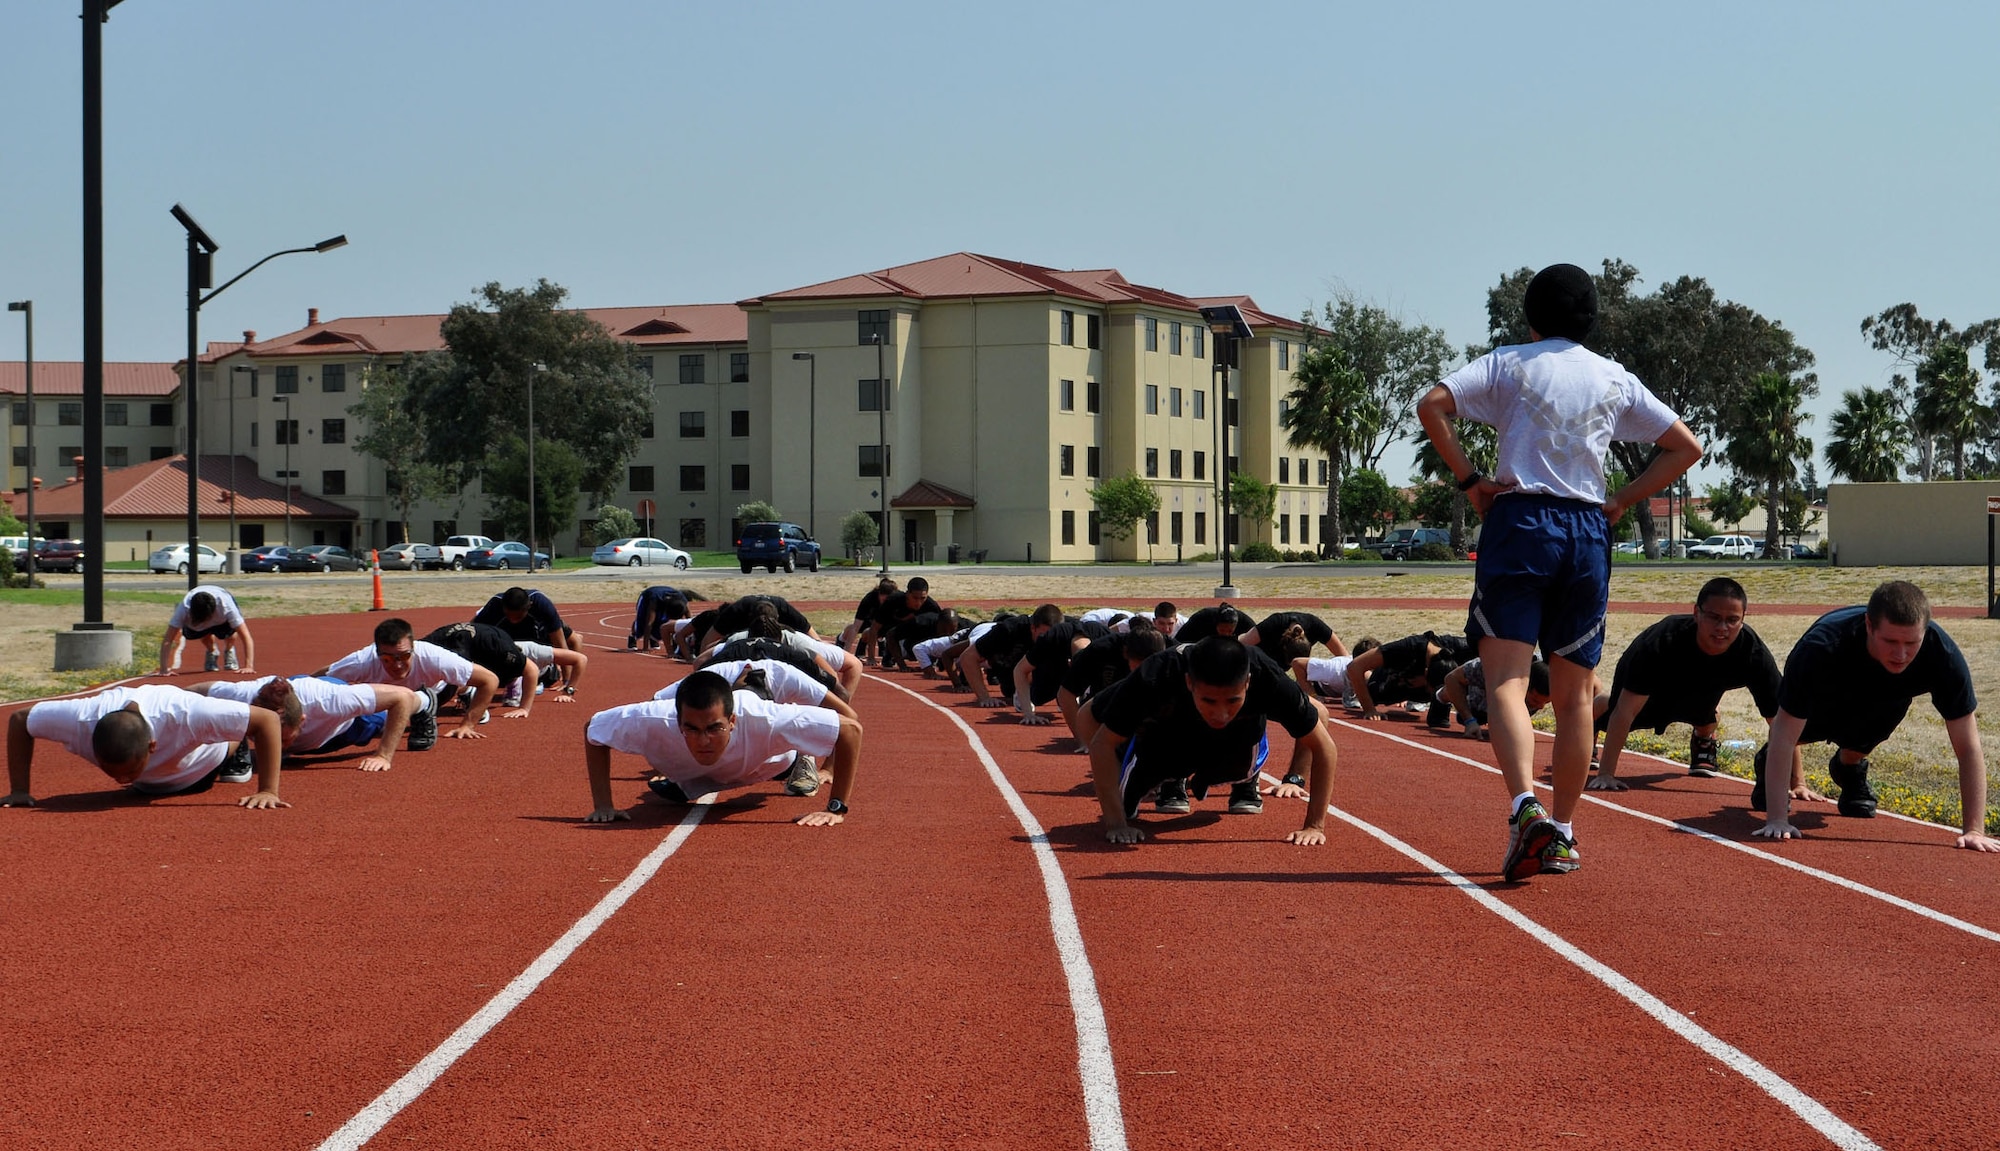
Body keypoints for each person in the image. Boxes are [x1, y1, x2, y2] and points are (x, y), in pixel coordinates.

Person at [1417, 261, 1702, 880]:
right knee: (1576, 699)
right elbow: (1687, 447)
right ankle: (1564, 833)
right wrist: (1622, 499)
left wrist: (1471, 481)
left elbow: (1432, 405)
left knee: (1506, 682)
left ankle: (1526, 807)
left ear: (1530, 317)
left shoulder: (1509, 363)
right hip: (1586, 534)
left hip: (1520, 523)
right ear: (1592, 319)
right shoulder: (1613, 376)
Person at [1753, 581, 1998, 851]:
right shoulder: (1820, 648)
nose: (1901, 654)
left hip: (1887, 698)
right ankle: (1768, 762)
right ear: (1869, 625)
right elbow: (1784, 734)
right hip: (1827, 692)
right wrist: (1777, 819)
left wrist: (1974, 830)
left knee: (1874, 725)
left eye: (1911, 643)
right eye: (1890, 641)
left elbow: (1968, 747)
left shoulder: (1943, 656)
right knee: (1798, 736)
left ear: (1925, 632)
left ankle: (1848, 768)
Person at [1086, 636, 1337, 843]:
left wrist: (1314, 825)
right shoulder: (1155, 676)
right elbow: (1098, 737)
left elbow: (1324, 744)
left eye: (1232, 700)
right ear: (1189, 682)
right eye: (1209, 700)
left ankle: (1235, 777)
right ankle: (1171, 776)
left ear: (1247, 683)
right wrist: (1116, 824)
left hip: (1239, 737)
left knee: (1237, 764)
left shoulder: (1267, 677)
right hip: (1167, 733)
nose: (1221, 713)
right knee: (1126, 802)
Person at [584, 669, 863, 825]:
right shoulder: (652, 719)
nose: (703, 740)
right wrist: (603, 805)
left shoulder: (768, 719)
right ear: (677, 721)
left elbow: (851, 729)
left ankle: (804, 755)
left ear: (732, 721)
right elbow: (593, 730)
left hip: (769, 763)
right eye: (691, 729)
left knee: (786, 750)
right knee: (666, 795)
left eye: (714, 728)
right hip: (699, 777)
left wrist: (836, 808)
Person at [1586, 578, 1785, 792]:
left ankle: (1704, 738)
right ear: (1697, 613)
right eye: (1714, 617)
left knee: (1706, 715)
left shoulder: (1753, 652)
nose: (1722, 628)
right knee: (1621, 712)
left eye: (1732, 620)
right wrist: (1606, 774)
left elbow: (1782, 721)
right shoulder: (1662, 641)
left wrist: (1798, 783)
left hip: (1699, 691)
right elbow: (1625, 711)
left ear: (1743, 619)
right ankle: (1594, 715)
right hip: (1652, 689)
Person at [5, 683, 286, 809]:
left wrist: (268, 791)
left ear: (152, 746)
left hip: (199, 769)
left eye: (128, 772)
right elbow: (19, 720)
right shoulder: (80, 719)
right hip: (148, 783)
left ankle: (236, 743)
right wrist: (19, 790)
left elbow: (268, 720)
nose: (120, 780)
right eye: (112, 772)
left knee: (228, 733)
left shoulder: (185, 713)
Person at [312, 617, 500, 743]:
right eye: (387, 659)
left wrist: (467, 725)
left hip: (437, 692)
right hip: (387, 698)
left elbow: (489, 679)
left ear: (413, 649)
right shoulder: (362, 660)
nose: (397, 665)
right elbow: (325, 677)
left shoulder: (434, 657)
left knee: (456, 678)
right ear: (377, 653)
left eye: (404, 656)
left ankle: (464, 690)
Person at [192, 675, 420, 772]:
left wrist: (383, 756)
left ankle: (427, 701)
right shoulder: (241, 694)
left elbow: (401, 697)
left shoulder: (331, 702)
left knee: (404, 709)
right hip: (301, 685)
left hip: (345, 727)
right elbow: (195, 691)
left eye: (283, 739)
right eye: (267, 736)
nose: (276, 745)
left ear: (302, 722)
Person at [1059, 625, 1167, 753]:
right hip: (1103, 705)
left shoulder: (1172, 654)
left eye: (1149, 667)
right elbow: (1065, 694)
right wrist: (1083, 740)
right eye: (1139, 666)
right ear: (1126, 654)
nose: (1143, 671)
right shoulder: (1100, 650)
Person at [422, 621, 549, 721]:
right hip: (456, 643)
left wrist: (524, 708)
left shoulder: (501, 648)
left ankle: (466, 690)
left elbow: (532, 670)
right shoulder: (427, 646)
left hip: (475, 648)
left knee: (435, 699)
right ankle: (466, 690)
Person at [1344, 631, 1470, 718]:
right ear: (1425, 673)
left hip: (1428, 683)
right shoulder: (1407, 648)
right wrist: (1369, 709)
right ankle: (1351, 689)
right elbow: (1354, 667)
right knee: (1370, 689)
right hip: (1391, 681)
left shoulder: (1462, 648)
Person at [1434, 657, 1552, 741]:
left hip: (1504, 699)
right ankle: (1441, 695)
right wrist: (1469, 720)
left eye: (1547, 702)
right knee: (1457, 698)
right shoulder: (1490, 667)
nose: (1541, 707)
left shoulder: (1556, 679)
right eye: (1535, 700)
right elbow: (1451, 678)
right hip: (1480, 695)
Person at [157, 585, 256, 675]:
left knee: (230, 634)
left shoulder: (227, 607)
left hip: (222, 616)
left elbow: (246, 636)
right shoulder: (183, 609)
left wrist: (249, 666)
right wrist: (163, 669)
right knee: (202, 635)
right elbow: (168, 639)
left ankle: (229, 650)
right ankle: (212, 651)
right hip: (197, 621)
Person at [1289, 638, 1380, 706]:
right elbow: (1297, 663)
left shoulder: (1378, 668)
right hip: (1315, 684)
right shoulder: (1333, 669)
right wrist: (1312, 694)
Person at [1241, 611, 1343, 660]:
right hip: (1256, 660)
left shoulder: (1315, 626)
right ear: (1284, 648)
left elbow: (1344, 657)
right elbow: (1240, 646)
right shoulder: (1274, 623)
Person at [629, 586, 691, 651]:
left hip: (665, 599)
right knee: (642, 621)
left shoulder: (684, 602)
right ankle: (632, 636)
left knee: (663, 622)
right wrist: (645, 647)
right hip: (648, 597)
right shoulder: (654, 601)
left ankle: (653, 638)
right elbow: (649, 623)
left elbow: (690, 622)